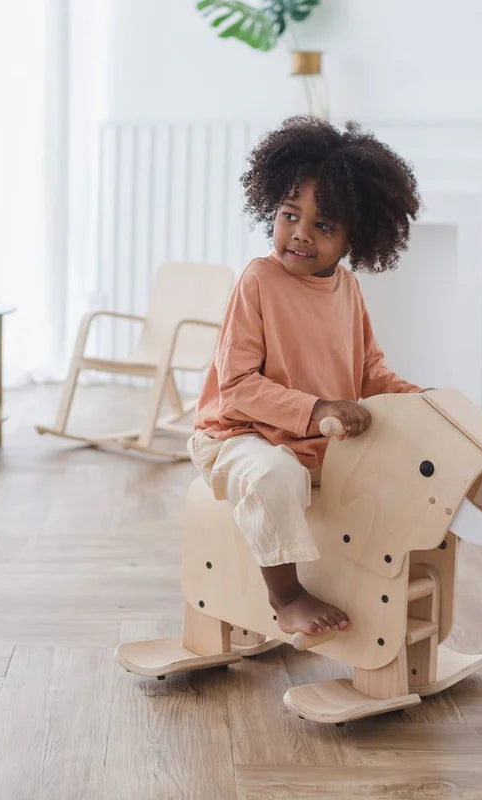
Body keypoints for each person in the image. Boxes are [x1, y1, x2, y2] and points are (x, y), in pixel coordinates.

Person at [188, 115, 424, 637]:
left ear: (353, 237)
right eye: (290, 215)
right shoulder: (258, 279)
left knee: (398, 467)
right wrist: (316, 410)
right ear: (271, 208)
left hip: (315, 442)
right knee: (275, 476)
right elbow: (238, 385)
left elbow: (369, 371)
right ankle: (286, 594)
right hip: (236, 435)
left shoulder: (348, 289)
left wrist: (420, 403)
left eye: (323, 226)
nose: (300, 234)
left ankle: (375, 596)